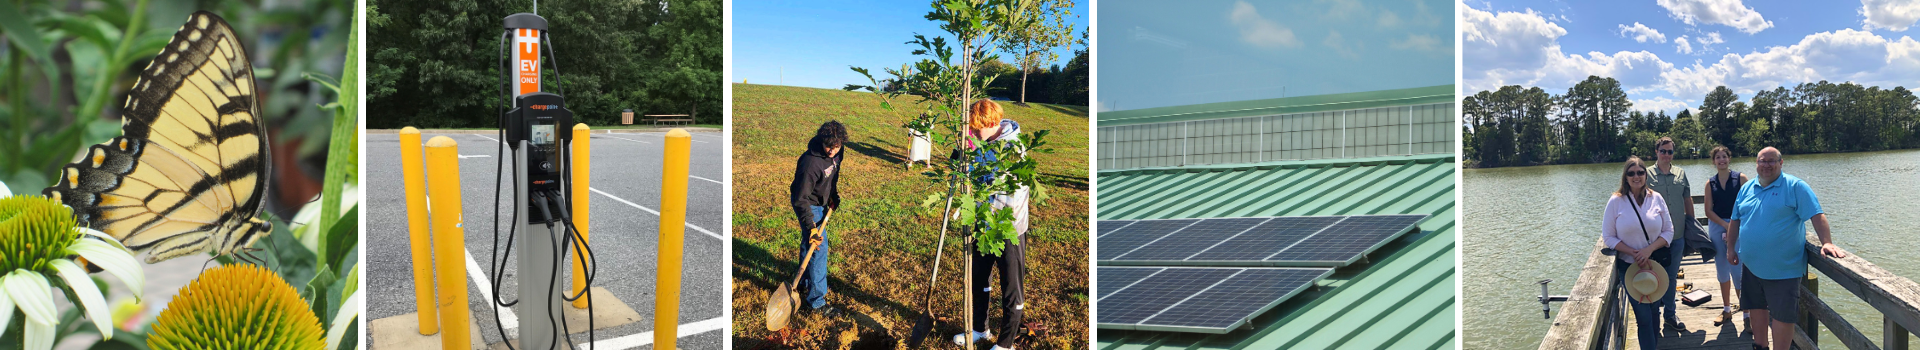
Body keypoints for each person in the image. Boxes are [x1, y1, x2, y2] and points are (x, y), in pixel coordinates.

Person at [1728, 147, 1845, 350]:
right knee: (1756, 308)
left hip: (1783, 269)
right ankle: (1760, 346)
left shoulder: (1795, 186)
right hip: (1751, 266)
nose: (1766, 165)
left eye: (1772, 161)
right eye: (1762, 161)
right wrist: (1730, 248)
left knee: (1783, 316)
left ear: (1781, 163)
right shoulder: (1747, 188)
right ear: (1756, 163)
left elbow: (1816, 215)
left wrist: (1826, 242)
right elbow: (1735, 219)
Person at [952, 100, 1031, 350]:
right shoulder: (982, 141)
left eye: (977, 130)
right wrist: (963, 149)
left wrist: (972, 204)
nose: (974, 133)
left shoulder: (1013, 148)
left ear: (993, 124)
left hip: (1008, 227)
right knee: (979, 279)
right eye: (972, 129)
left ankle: (1006, 343)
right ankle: (979, 329)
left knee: (1010, 288)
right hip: (983, 225)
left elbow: (1004, 190)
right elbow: (965, 169)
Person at [1603, 156, 1674, 350]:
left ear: (1646, 174)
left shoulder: (1656, 198)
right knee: (1643, 317)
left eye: (1640, 172)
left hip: (1655, 266)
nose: (1636, 176)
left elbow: (1669, 231)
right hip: (1630, 267)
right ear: (1625, 177)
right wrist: (1633, 252)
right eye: (1631, 173)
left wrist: (1648, 250)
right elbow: (1608, 237)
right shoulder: (1616, 201)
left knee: (1654, 313)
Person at [790, 121, 847, 317]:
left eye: (836, 146)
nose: (832, 151)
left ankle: (805, 283)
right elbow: (800, 199)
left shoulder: (839, 151)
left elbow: (833, 174)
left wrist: (833, 194)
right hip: (807, 203)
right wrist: (812, 227)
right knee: (818, 249)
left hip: (821, 201)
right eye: (828, 146)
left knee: (810, 246)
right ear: (822, 141)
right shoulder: (810, 163)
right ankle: (817, 301)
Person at [1645, 137, 1694, 331]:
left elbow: (1687, 199)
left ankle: (1670, 315)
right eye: (1663, 151)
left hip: (1678, 235)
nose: (1666, 155)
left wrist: (1692, 223)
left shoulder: (1681, 173)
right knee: (1655, 276)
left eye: (1670, 151)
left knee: (1672, 277)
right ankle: (1654, 316)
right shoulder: (1646, 174)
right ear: (1656, 152)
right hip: (1653, 239)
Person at [1702, 145, 1750, 328]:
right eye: (1717, 157)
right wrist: (1725, 225)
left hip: (1738, 225)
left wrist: (1734, 224)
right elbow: (1708, 210)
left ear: (1729, 158)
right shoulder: (1710, 183)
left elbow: (1749, 204)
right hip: (1717, 226)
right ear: (1713, 161)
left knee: (1738, 270)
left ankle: (1746, 314)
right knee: (1722, 268)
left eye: (1724, 156)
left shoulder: (1741, 179)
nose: (1721, 160)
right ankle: (1727, 309)